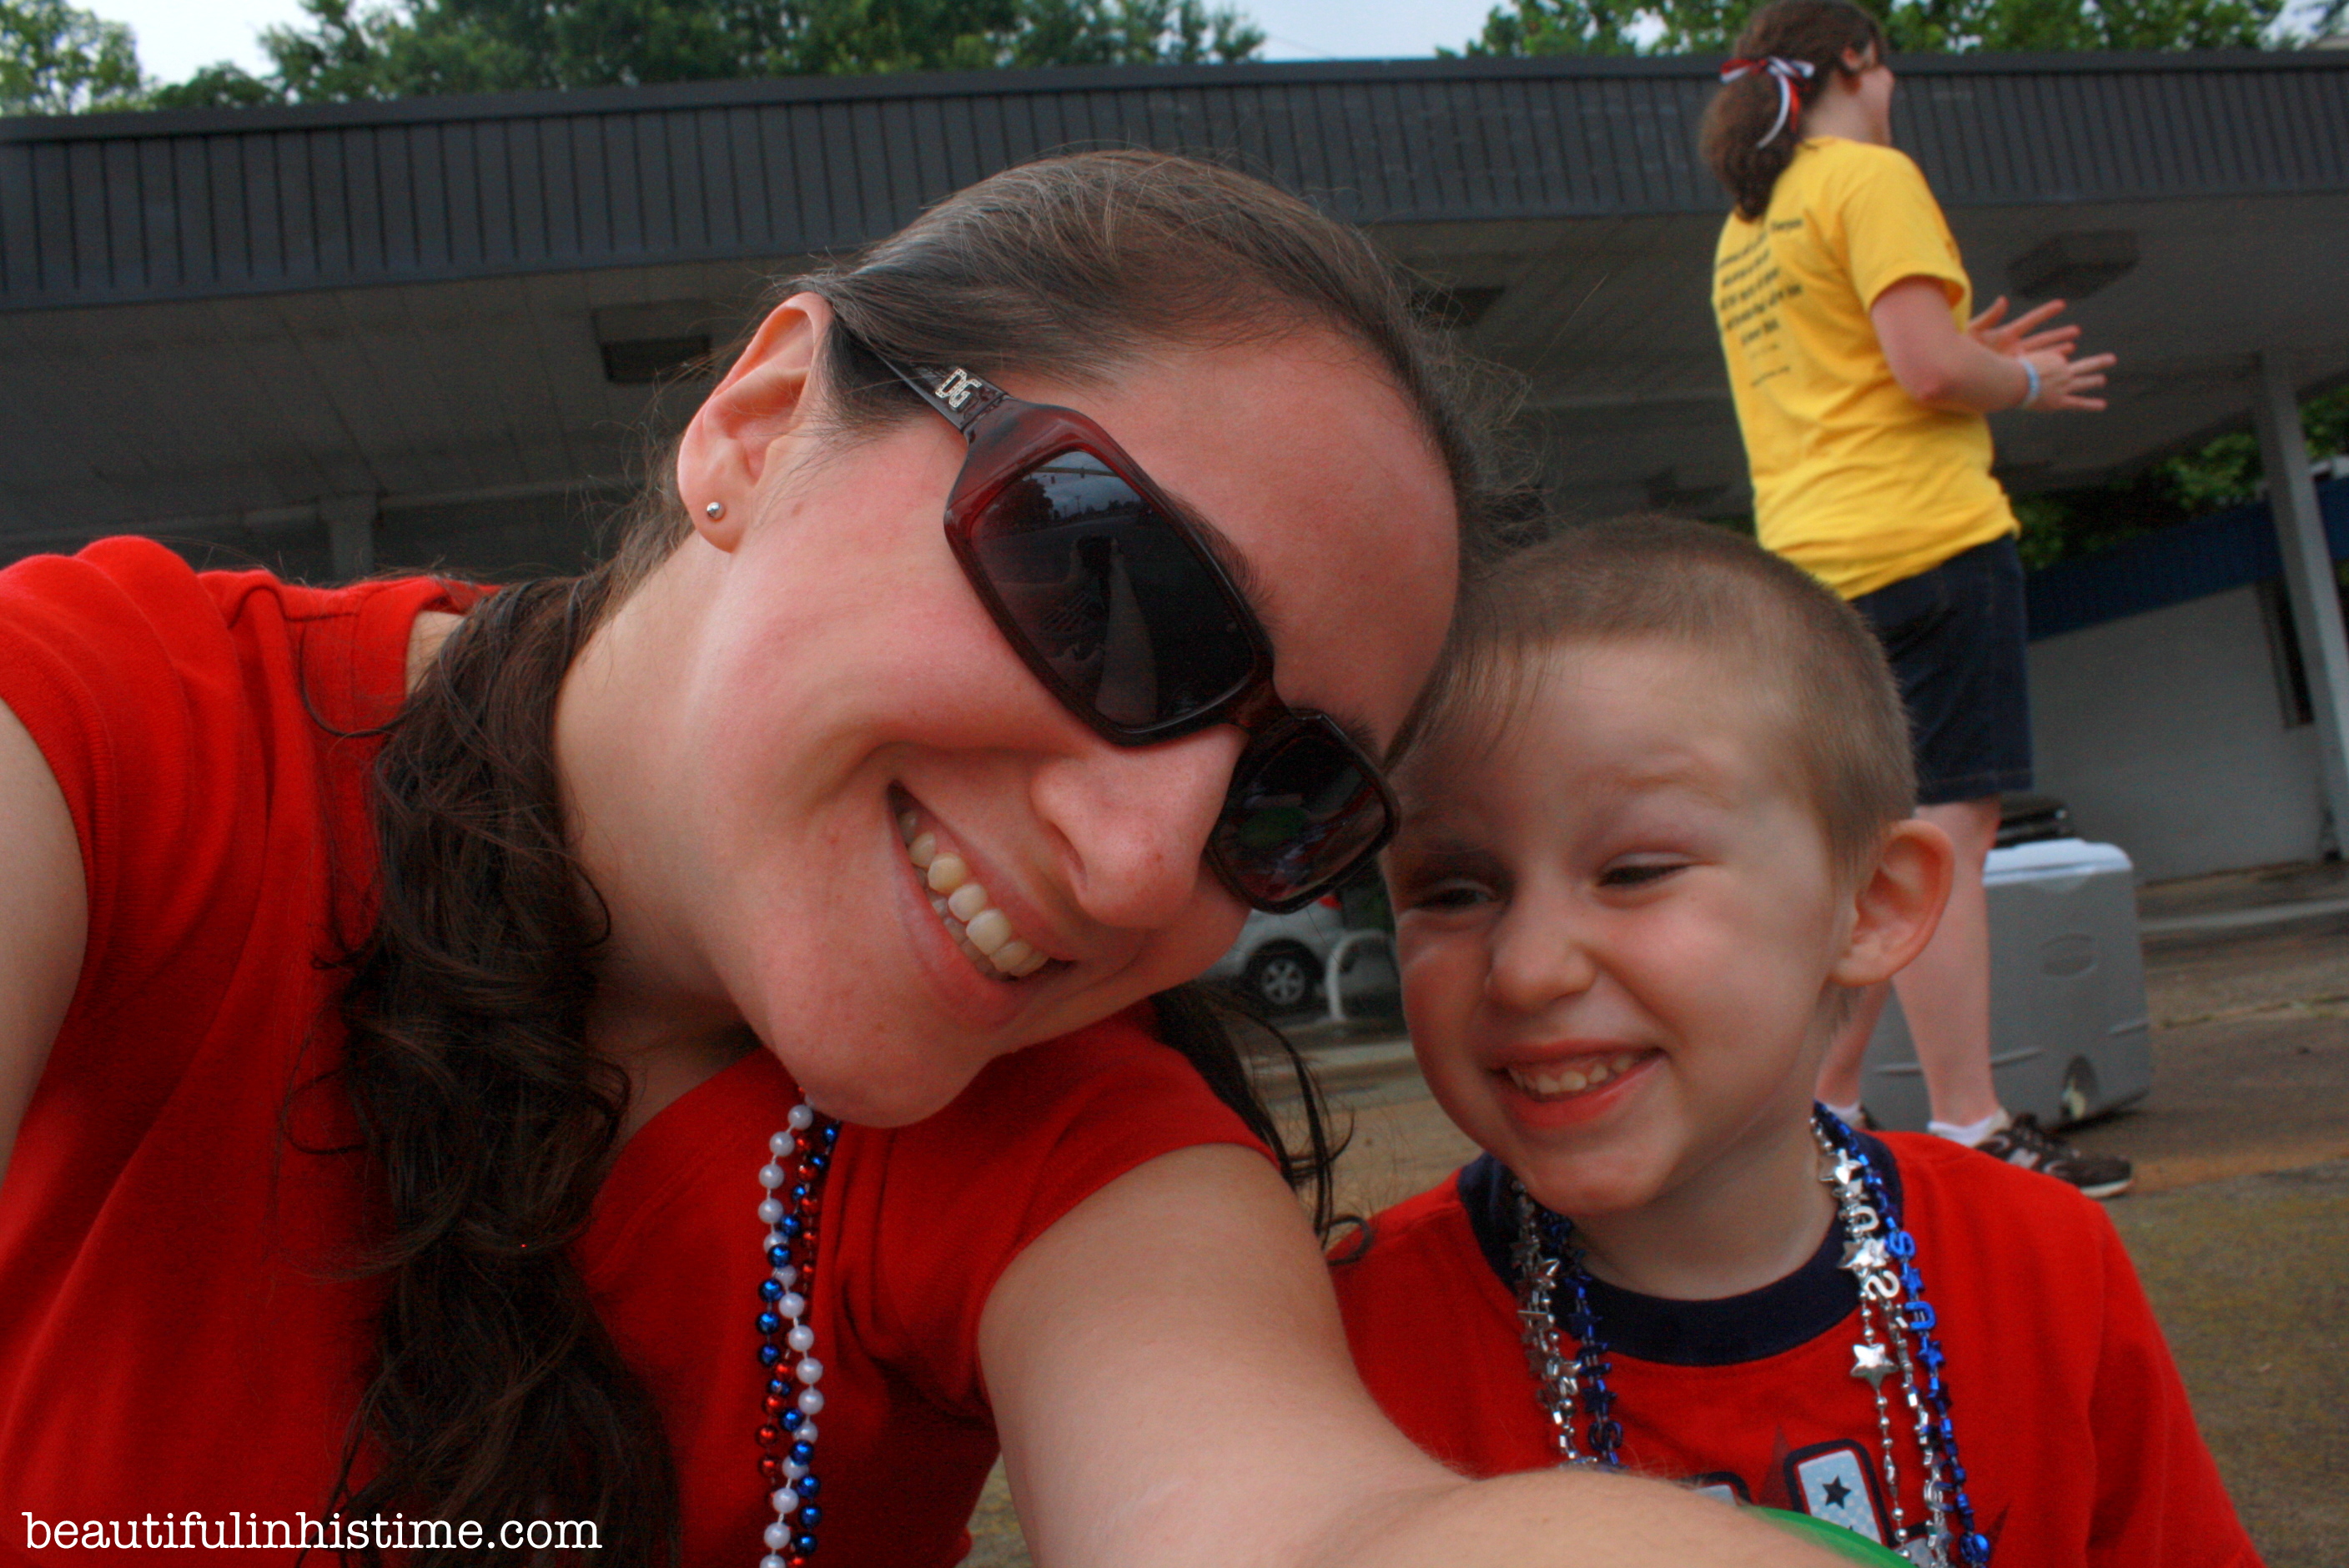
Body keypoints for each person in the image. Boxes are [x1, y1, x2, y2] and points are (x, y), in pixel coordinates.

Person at [0, 154, 1849, 1566]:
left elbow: (1305, 1526)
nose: (1142, 869)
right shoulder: (108, 739)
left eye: (1286, 797)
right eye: (1121, 593)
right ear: (759, 422)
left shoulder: (1061, 1135)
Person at [1335, 517, 2261, 1568]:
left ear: (1867, 903)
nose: (1527, 966)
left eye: (1633, 870)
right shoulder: (1340, 1344)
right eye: (1451, 889)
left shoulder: (2043, 1264)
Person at [1703, 0, 2130, 1194]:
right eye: (1886, 60)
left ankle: (1821, 1111)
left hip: (1816, 567)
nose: (1893, 84)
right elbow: (1927, 367)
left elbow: (1880, 365)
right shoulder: (1866, 177)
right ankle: (1971, 1120)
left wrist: (1959, 355)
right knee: (1945, 835)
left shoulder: (1748, 223)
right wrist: (2025, 379)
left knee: (1879, 851)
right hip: (1927, 542)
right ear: (1854, 58)